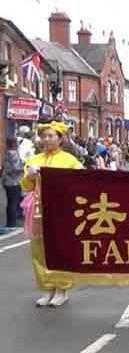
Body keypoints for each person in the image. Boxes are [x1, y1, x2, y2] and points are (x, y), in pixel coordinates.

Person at [20, 121, 83, 307]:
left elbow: (81, 183)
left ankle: (61, 289)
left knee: (59, 249)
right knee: (39, 251)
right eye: (44, 136)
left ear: (60, 139)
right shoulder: (34, 160)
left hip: (61, 212)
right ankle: (48, 288)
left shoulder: (69, 161)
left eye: (51, 136)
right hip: (39, 212)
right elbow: (25, 186)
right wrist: (30, 175)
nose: (46, 139)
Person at [2, 137, 24, 228]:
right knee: (13, 203)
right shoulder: (13, 153)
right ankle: (12, 223)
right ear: (14, 143)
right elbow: (16, 168)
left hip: (8, 181)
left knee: (11, 203)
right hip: (13, 181)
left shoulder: (7, 153)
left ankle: (11, 222)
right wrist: (25, 166)